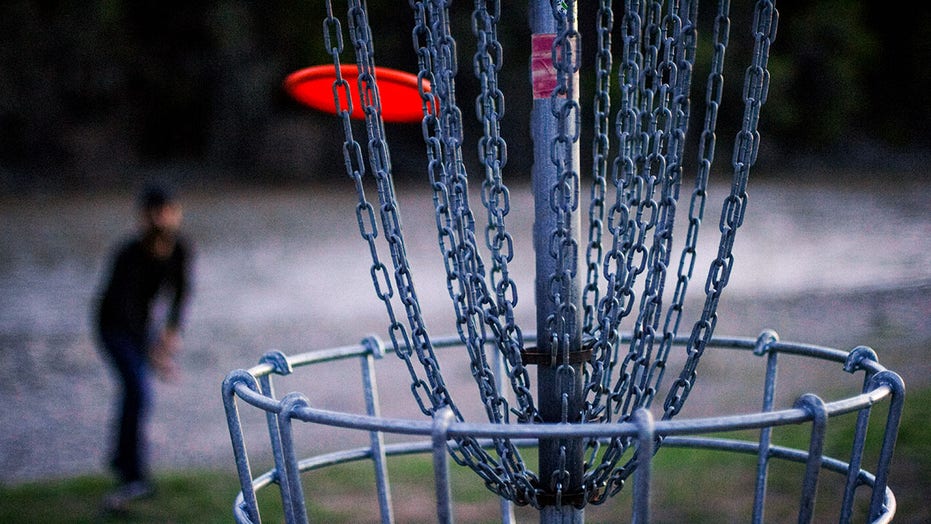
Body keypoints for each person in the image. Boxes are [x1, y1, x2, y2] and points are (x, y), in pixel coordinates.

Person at [94, 183, 193, 508]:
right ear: (144, 217)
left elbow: (181, 293)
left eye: (168, 211)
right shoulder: (129, 254)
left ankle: (124, 463)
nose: (162, 219)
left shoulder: (180, 248)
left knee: (134, 394)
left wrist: (172, 330)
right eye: (155, 213)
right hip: (113, 328)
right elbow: (123, 309)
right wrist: (155, 354)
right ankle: (132, 473)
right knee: (138, 391)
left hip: (141, 327)